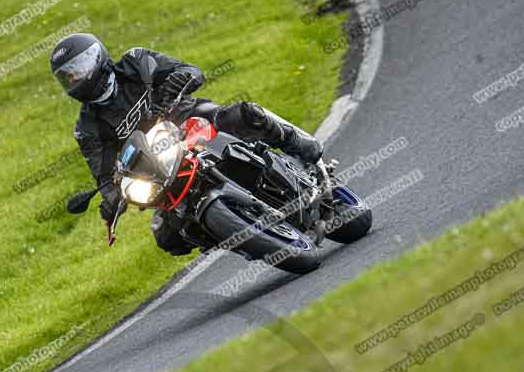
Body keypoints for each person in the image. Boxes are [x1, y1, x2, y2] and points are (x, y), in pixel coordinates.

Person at [50, 33, 322, 254]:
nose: (74, 78)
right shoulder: (86, 128)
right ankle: (237, 234)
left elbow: (191, 71)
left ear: (97, 58)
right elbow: (104, 173)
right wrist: (111, 201)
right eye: (67, 76)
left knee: (245, 115)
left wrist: (176, 83)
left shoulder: (136, 62)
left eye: (77, 68)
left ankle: (295, 142)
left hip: (190, 121)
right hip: (159, 165)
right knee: (167, 236)